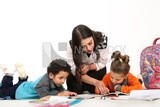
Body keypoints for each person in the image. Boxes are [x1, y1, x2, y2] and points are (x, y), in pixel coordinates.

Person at [0, 59, 77, 100]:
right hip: (18, 91)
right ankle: (8, 74)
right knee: (3, 92)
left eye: (65, 78)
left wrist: (67, 93)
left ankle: (23, 77)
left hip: (25, 86)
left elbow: (61, 90)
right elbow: (43, 95)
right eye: (61, 78)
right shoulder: (43, 82)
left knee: (23, 85)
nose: (63, 81)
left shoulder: (56, 81)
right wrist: (59, 94)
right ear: (51, 75)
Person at [67, 24, 109, 94]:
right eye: (83, 47)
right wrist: (95, 82)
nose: (89, 48)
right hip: (79, 74)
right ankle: (86, 86)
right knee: (75, 89)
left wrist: (89, 67)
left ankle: (89, 86)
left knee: (97, 89)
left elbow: (102, 63)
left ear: (92, 36)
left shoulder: (102, 40)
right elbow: (74, 70)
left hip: (95, 70)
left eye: (90, 43)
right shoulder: (71, 46)